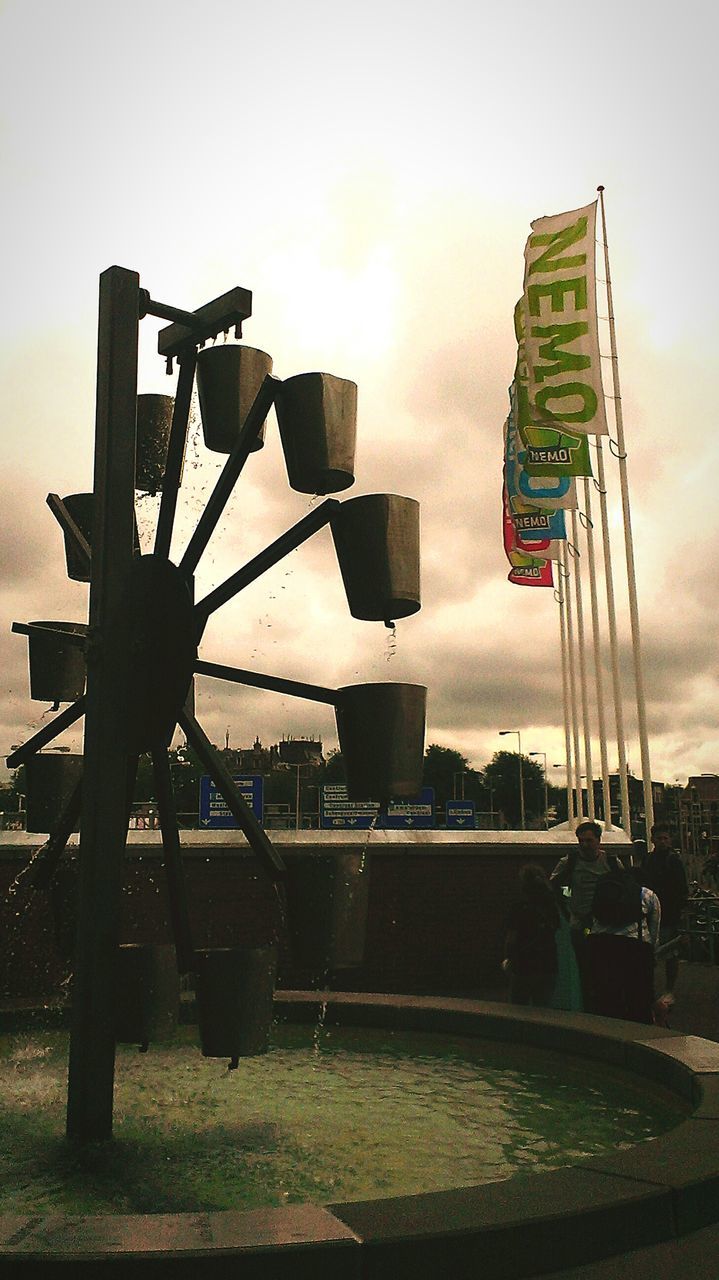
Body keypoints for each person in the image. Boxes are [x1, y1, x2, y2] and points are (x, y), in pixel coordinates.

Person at [550, 820, 613, 1010]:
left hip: (604, 923)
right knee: (583, 963)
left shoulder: (611, 862)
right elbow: (553, 886)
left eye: (589, 840)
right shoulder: (568, 862)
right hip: (578, 921)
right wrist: (566, 907)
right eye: (581, 841)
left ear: (598, 841)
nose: (585, 845)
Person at [639, 822, 688, 1003]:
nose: (662, 842)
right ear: (653, 840)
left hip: (668, 913)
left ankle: (669, 989)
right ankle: (652, 987)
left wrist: (678, 910)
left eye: (665, 838)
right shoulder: (648, 860)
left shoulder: (673, 861)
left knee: (670, 953)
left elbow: (681, 887)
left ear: (670, 840)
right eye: (659, 838)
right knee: (651, 951)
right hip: (651, 912)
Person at [502, 863, 560, 1006]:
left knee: (518, 1006)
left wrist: (509, 958)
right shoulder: (551, 904)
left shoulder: (519, 906)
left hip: (524, 963)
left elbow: (512, 938)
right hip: (548, 962)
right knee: (543, 1007)